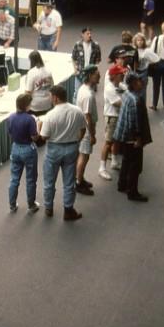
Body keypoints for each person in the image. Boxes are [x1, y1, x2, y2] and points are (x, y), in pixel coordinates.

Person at [38, 85, 87, 221]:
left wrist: (39, 126)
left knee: (49, 181)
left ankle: (49, 208)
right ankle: (68, 210)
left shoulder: (50, 115)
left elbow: (44, 137)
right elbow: (83, 129)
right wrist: (77, 140)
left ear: (55, 97)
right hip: (71, 148)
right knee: (69, 182)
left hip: (54, 150)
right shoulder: (77, 111)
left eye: (50, 96)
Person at [113, 72, 152, 201]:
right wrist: (138, 138)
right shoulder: (136, 100)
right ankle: (132, 192)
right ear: (135, 84)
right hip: (131, 138)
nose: (142, 83)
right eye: (139, 81)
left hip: (122, 134)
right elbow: (133, 121)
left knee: (126, 160)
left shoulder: (126, 94)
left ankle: (122, 184)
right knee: (135, 165)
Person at [6, 93, 40, 213]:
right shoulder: (30, 119)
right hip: (28, 149)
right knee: (31, 179)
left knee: (14, 178)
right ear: (27, 105)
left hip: (15, 148)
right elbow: (35, 137)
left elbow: (10, 133)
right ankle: (31, 205)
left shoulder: (10, 117)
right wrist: (38, 128)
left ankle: (12, 205)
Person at [98, 64, 127, 180]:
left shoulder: (119, 85)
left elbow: (126, 90)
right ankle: (102, 168)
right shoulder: (110, 88)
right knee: (108, 142)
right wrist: (127, 99)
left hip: (118, 116)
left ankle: (114, 161)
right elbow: (118, 103)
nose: (123, 75)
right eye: (121, 74)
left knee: (117, 140)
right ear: (114, 76)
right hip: (112, 117)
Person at [75, 66, 100, 196]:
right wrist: (92, 134)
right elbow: (88, 116)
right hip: (86, 130)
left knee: (83, 155)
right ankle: (78, 183)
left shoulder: (83, 89)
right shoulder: (88, 95)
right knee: (84, 156)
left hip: (81, 128)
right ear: (90, 76)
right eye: (96, 74)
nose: (99, 76)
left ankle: (80, 178)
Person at [24, 50, 53, 116]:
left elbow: (28, 92)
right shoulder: (48, 71)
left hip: (35, 107)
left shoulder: (31, 72)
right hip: (47, 104)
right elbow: (52, 87)